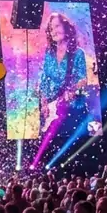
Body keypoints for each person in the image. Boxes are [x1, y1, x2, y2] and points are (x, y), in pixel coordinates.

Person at [38, 13, 88, 144]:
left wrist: (72, 90)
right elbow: (43, 80)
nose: (53, 31)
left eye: (57, 26)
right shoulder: (48, 54)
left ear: (66, 27)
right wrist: (44, 104)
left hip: (71, 109)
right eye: (50, 29)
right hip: (50, 110)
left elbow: (83, 79)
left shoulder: (78, 53)